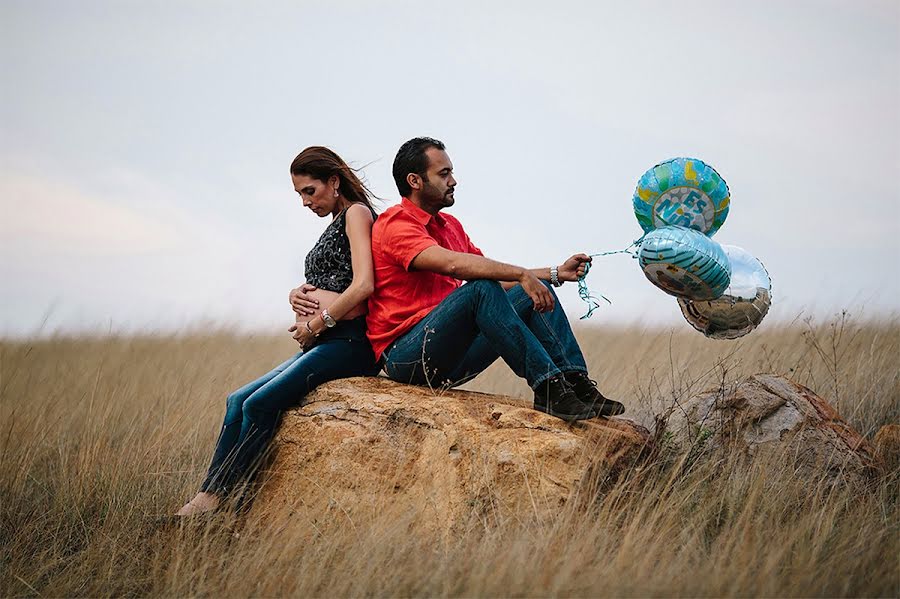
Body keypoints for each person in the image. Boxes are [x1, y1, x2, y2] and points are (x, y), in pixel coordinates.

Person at [176, 146, 380, 516]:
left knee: (259, 404)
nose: (304, 202)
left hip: (350, 342)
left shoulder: (357, 214)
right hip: (325, 341)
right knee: (237, 399)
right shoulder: (335, 222)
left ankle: (215, 499)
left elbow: (363, 286)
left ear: (334, 182)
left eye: (309, 191)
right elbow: (331, 279)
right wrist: (297, 293)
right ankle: (212, 494)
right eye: (299, 194)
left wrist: (318, 321)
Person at [365, 137, 624, 422]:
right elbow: (455, 266)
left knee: (528, 292)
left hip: (451, 354)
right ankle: (548, 387)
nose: (454, 181)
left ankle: (573, 383)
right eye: (444, 174)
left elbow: (491, 279)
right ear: (415, 181)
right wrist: (521, 274)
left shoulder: (450, 226)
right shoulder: (395, 224)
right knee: (481, 289)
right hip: (408, 356)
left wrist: (553, 273)